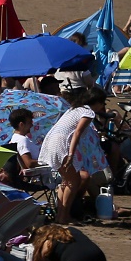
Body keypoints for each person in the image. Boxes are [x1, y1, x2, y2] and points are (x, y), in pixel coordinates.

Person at [40, 88, 110, 224]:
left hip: (52, 141)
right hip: (62, 143)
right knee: (74, 181)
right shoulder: (87, 112)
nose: (102, 106)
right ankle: (64, 216)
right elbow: (77, 133)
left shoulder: (75, 108)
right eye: (102, 103)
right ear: (97, 102)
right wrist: (71, 153)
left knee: (66, 181)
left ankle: (60, 216)